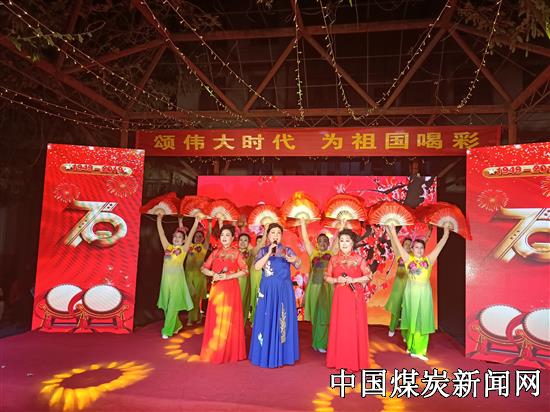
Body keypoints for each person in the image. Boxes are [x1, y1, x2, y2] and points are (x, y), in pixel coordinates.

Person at [386, 224, 450, 361]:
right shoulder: (408, 259)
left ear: (424, 249)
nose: (419, 250)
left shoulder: (428, 260)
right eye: (416, 247)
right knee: (411, 319)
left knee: (423, 320)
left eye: (421, 247)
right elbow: (398, 246)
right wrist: (392, 232)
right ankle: (411, 346)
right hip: (411, 294)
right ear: (412, 249)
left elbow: (439, 247)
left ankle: (419, 350)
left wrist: (445, 234)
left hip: (425, 294)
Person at [249, 223, 301, 368]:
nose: (276, 235)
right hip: (267, 291)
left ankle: (284, 355)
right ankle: (265, 352)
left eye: (278, 233)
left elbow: (299, 265)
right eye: (273, 232)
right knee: (267, 318)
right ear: (268, 235)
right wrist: (268, 253)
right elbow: (257, 267)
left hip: (284, 290)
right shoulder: (263, 251)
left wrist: (294, 260)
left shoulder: (287, 251)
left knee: (283, 320)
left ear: (281, 236)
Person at [325, 229, 373, 372]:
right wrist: (336, 280)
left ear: (352, 243)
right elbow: (327, 277)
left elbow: (369, 276)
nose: (344, 243)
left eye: (347, 240)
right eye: (341, 240)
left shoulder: (359, 259)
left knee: (353, 327)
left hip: (355, 297)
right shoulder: (333, 259)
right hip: (340, 298)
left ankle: (354, 361)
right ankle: (339, 360)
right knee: (340, 326)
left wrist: (354, 280)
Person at [200, 224, 248, 363]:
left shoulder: (236, 253)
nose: (224, 238)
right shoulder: (215, 253)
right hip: (217, 289)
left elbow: (245, 270)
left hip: (231, 289)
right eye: (222, 235)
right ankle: (216, 349)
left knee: (229, 319)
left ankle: (229, 352)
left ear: (233, 238)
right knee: (216, 318)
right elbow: (203, 268)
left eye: (227, 235)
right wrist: (213, 274)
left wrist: (228, 276)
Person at [156, 213, 200, 339]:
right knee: (166, 306)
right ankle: (177, 325)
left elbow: (190, 235)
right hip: (165, 283)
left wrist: (196, 222)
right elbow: (161, 234)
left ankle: (167, 331)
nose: (176, 238)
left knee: (172, 307)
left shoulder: (184, 249)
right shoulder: (167, 247)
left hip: (177, 283)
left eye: (180, 237)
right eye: (175, 236)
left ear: (183, 240)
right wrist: (159, 220)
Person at [299, 218, 337, 353]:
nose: (322, 243)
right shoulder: (313, 254)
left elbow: (338, 238)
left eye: (325, 241)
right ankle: (316, 343)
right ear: (316, 243)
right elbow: (305, 239)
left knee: (323, 316)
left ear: (328, 243)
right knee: (316, 317)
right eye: (320, 241)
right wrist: (303, 224)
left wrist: (342, 224)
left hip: (326, 289)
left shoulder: (331, 254)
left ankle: (321, 343)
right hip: (314, 288)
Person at [185, 220, 212, 325]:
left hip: (199, 276)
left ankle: (192, 318)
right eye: (196, 236)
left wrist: (210, 224)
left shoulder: (204, 248)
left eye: (200, 236)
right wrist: (180, 221)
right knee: (190, 297)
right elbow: (186, 236)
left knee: (196, 298)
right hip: (188, 275)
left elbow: (208, 236)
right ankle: (196, 316)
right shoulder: (189, 246)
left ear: (203, 238)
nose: (198, 237)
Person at [384, 237, 412, 337]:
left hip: (409, 286)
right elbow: (394, 243)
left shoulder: (413, 257)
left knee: (407, 310)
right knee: (395, 308)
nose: (408, 246)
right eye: (406, 244)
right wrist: (390, 231)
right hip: (398, 286)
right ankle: (392, 328)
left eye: (410, 244)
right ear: (402, 245)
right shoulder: (399, 255)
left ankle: (405, 334)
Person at [249, 232, 267, 323]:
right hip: (254, 276)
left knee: (262, 298)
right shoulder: (253, 251)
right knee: (254, 297)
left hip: (263, 277)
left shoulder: (267, 252)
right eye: (258, 242)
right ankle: (253, 319)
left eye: (262, 241)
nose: (261, 243)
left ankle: (262, 319)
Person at [237, 232, 252, 323]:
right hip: (233, 280)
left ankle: (241, 324)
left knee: (243, 302)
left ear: (249, 243)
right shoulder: (233, 251)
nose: (242, 242)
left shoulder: (251, 253)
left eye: (245, 240)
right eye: (241, 240)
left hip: (245, 281)